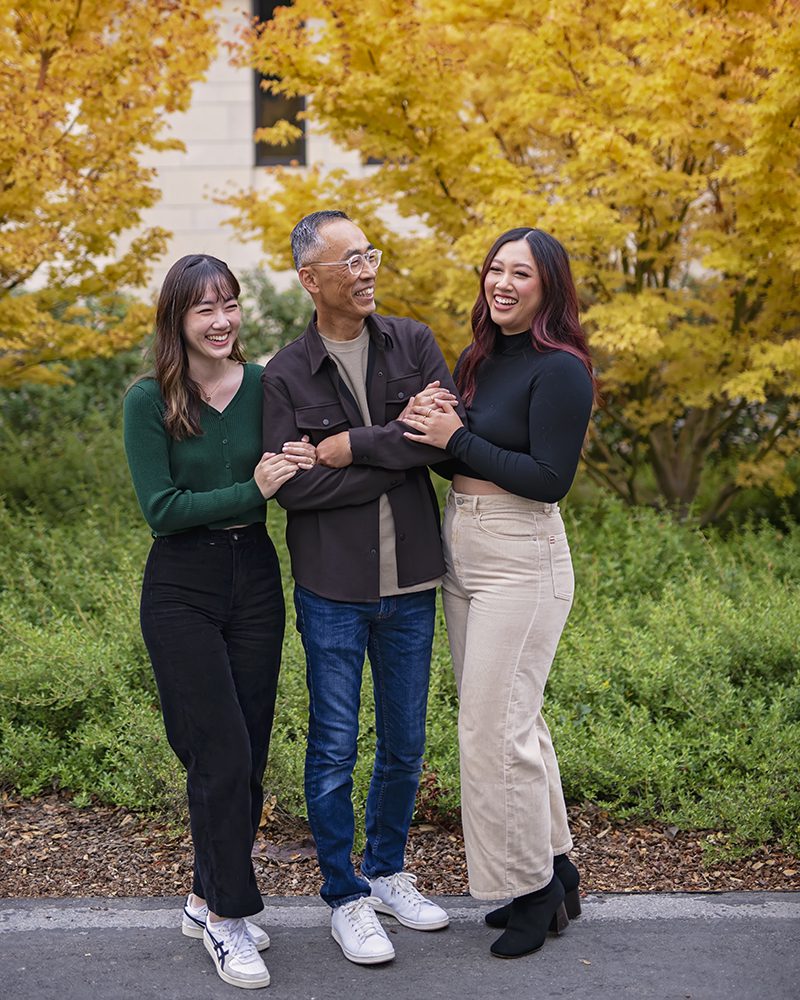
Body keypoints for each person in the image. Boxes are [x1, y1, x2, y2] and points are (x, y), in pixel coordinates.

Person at [261, 210, 464, 966]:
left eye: (370, 254)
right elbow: (293, 493)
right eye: (350, 260)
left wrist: (343, 449)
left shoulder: (412, 342)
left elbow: (443, 433)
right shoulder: (284, 372)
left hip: (411, 581)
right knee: (335, 747)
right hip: (332, 588)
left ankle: (386, 871)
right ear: (311, 279)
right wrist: (394, 444)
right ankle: (344, 895)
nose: (367, 269)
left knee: (406, 745)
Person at [123, 254, 315, 990]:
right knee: (219, 751)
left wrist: (296, 463)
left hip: (255, 582)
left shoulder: (266, 384)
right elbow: (162, 510)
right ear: (177, 318)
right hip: (183, 587)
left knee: (247, 751)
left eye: (229, 304)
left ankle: (204, 899)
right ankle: (231, 920)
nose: (220, 319)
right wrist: (253, 488)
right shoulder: (151, 399)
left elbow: (295, 459)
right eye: (204, 307)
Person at [402, 227, 596, 959]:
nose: (502, 282)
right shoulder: (479, 358)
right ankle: (559, 869)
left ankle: (530, 890)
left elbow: (548, 478)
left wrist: (454, 438)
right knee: (519, 721)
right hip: (467, 544)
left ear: (549, 287)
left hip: (523, 553)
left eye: (521, 273)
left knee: (493, 730)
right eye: (494, 269)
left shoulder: (562, 370)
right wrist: (431, 429)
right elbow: (466, 463)